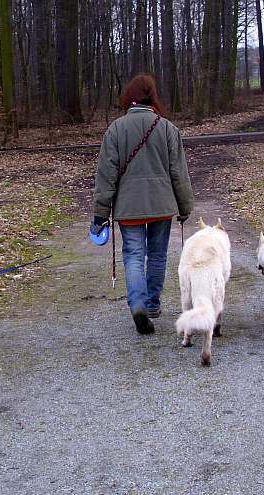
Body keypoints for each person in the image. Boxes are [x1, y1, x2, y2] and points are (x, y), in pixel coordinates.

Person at [91, 74, 194, 335]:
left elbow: (106, 175)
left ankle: (137, 304)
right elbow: (178, 173)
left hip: (129, 207)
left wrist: (101, 213)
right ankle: (152, 304)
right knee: (157, 255)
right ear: (152, 97)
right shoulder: (168, 129)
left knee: (134, 256)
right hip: (161, 204)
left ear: (129, 97)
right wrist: (185, 207)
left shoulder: (115, 129)